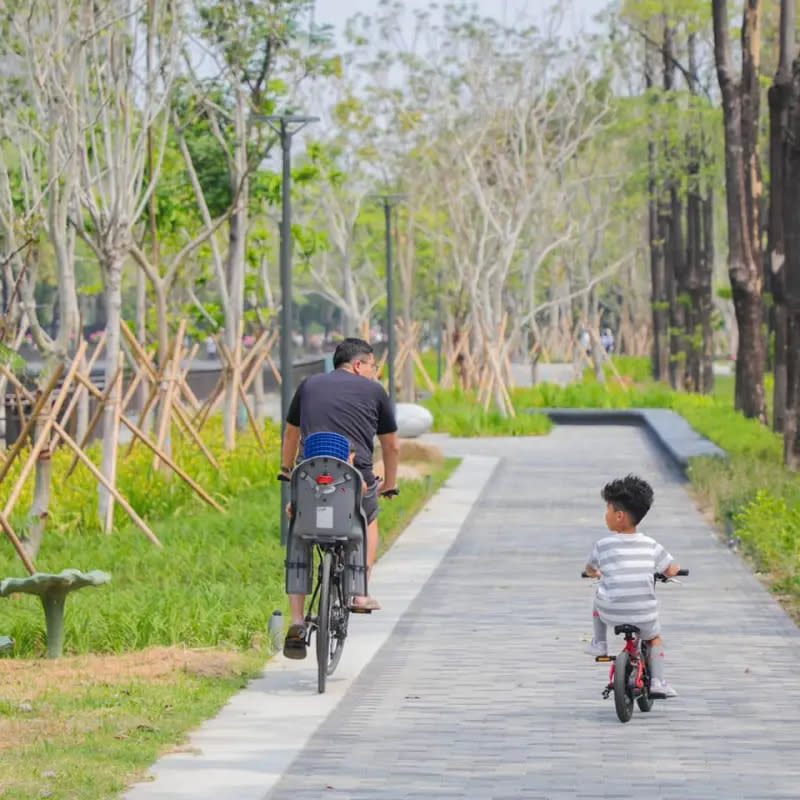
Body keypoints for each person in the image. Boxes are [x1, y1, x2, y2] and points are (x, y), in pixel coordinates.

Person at [279, 337, 400, 659]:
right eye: (373, 366)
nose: (374, 373)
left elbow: (291, 433)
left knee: (300, 533)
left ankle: (295, 621)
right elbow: (391, 446)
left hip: (309, 478)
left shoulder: (308, 385)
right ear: (359, 365)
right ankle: (360, 594)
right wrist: (390, 482)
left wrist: (286, 469)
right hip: (354, 482)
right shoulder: (375, 391)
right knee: (368, 519)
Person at [583, 474, 681, 698]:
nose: (605, 515)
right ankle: (658, 680)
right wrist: (669, 573)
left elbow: (589, 569)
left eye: (607, 509)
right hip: (644, 616)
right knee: (654, 638)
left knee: (598, 597)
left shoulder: (603, 545)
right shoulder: (650, 544)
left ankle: (599, 642)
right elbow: (671, 568)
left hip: (611, 614)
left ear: (619, 516)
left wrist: (595, 573)